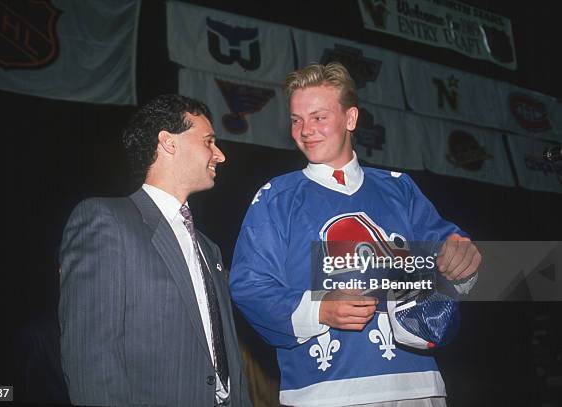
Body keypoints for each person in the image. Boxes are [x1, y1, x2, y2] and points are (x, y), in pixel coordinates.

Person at [230, 63, 481, 407]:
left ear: (350, 119)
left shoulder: (399, 188)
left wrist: (463, 258)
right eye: (296, 120)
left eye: (318, 117)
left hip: (419, 387)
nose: (305, 131)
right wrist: (319, 309)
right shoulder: (276, 197)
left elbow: (451, 262)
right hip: (324, 392)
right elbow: (249, 285)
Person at [59, 94, 252, 406]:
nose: (220, 155)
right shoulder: (106, 220)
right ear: (169, 142)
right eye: (208, 141)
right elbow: (90, 354)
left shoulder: (209, 249)